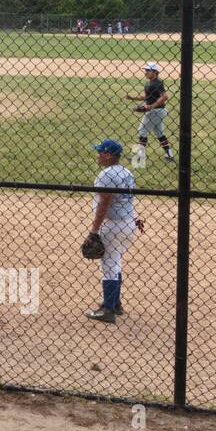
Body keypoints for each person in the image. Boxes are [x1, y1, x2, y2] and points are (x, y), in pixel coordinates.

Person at [84, 139, 143, 324]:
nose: (98, 155)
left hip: (113, 225)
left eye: (101, 152)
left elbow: (104, 204)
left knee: (108, 266)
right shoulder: (126, 172)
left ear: (108, 155)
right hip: (127, 224)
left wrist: (94, 231)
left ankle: (108, 310)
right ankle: (115, 303)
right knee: (115, 262)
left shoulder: (106, 175)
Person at [127, 62, 173, 164]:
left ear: (155, 72)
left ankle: (139, 157)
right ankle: (169, 154)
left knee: (142, 130)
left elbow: (165, 97)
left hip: (156, 111)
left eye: (148, 70)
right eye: (145, 70)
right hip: (157, 111)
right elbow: (147, 97)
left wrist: (152, 106)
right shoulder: (149, 83)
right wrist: (133, 98)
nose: (146, 72)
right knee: (159, 133)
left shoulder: (157, 83)